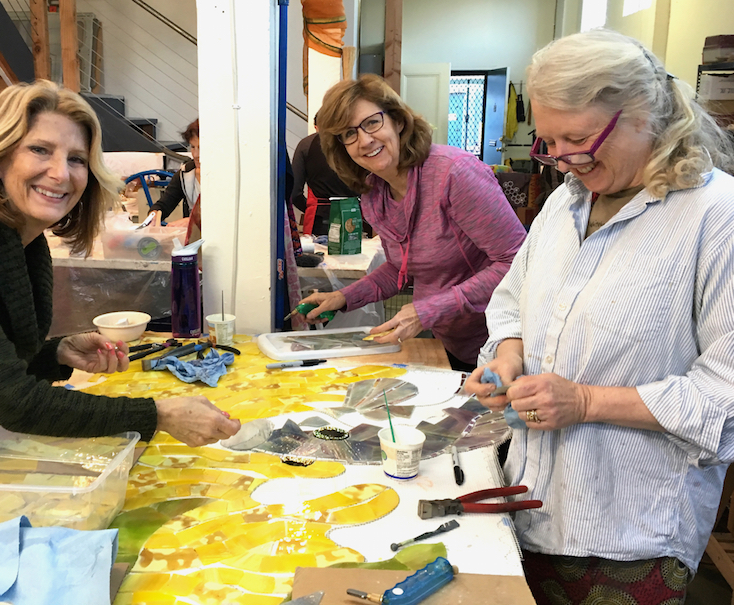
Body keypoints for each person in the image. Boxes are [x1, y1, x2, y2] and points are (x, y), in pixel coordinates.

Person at [0, 81, 239, 538]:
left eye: (77, 158)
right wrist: (158, 414)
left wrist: (57, 352)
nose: (60, 173)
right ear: (0, 156)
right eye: (40, 150)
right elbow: (15, 402)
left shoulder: (26, 243)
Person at [463, 30, 734, 604]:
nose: (561, 158)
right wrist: (507, 357)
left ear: (646, 115)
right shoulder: (566, 201)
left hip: (627, 537)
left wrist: (585, 402)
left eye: (579, 139)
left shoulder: (716, 218)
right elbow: (513, 299)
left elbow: (726, 396)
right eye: (549, 141)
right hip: (527, 502)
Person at [298, 74, 526, 371]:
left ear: (398, 121)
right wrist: (342, 297)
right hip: (451, 340)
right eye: (349, 134)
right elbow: (399, 269)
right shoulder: (375, 192)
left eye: (372, 123)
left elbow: (517, 263)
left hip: (506, 343)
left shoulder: (454, 174)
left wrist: (427, 310)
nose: (364, 140)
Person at [291, 112, 359, 236]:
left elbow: (294, 192)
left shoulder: (306, 144)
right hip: (354, 214)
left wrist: (311, 208)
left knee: (320, 254)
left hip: (319, 218)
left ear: (317, 127)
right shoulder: (354, 141)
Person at [134, 119, 201, 235]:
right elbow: (164, 204)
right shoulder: (185, 173)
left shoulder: (228, 177)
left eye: (201, 148)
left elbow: (227, 216)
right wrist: (154, 214)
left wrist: (193, 222)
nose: (195, 155)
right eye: (193, 147)